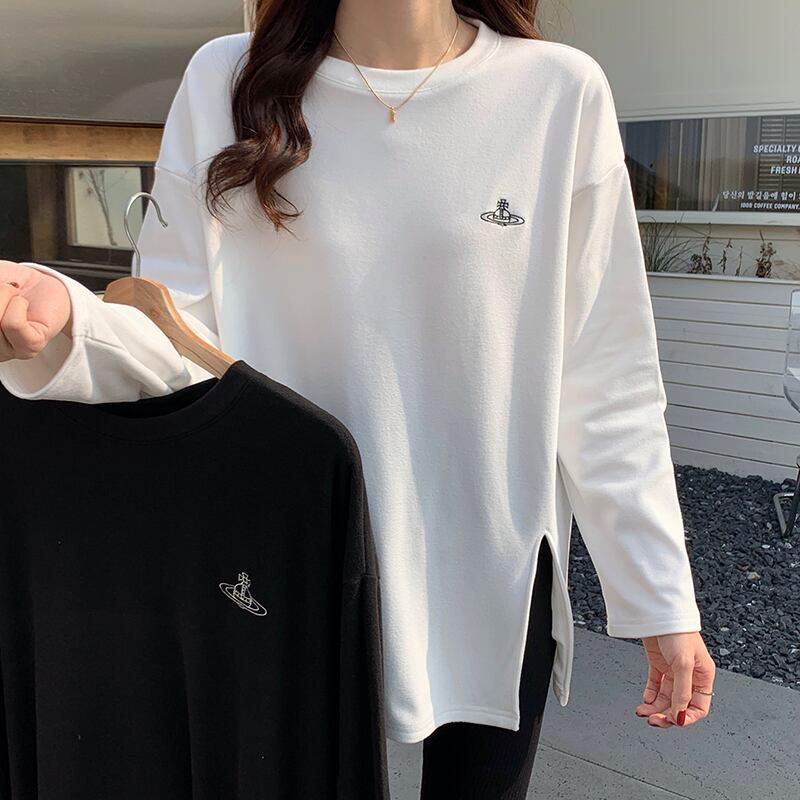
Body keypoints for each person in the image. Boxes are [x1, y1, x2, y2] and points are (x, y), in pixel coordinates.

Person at [0, 1, 716, 796]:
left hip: (493, 556)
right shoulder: (226, 80)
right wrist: (73, 327)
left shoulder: (558, 91)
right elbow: (180, 344)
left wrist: (659, 596)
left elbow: (607, 374)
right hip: (287, 552)